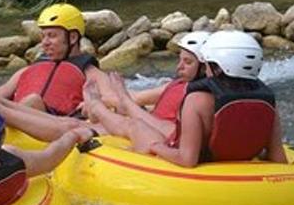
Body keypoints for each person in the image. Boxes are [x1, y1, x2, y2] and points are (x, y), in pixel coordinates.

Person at [125, 31, 287, 167]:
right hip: (249, 181)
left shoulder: (196, 100)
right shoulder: (268, 101)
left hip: (206, 174)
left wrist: (156, 147)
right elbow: (278, 158)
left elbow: (187, 159)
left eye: (207, 64)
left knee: (138, 128)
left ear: (216, 66)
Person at [0, 3, 107, 141]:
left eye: (51, 36)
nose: (45, 43)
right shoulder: (27, 70)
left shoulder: (89, 72)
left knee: (34, 100)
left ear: (73, 38)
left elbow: (116, 99)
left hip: (56, 125)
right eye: (43, 36)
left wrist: (95, 103)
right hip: (19, 123)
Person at [80, 31, 209, 142]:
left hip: (154, 133)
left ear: (205, 67)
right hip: (148, 124)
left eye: (188, 62)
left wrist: (105, 101)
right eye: (180, 60)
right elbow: (138, 97)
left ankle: (96, 107)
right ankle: (96, 106)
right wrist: (108, 99)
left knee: (78, 125)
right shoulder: (178, 83)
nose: (179, 67)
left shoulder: (198, 96)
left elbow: (172, 135)